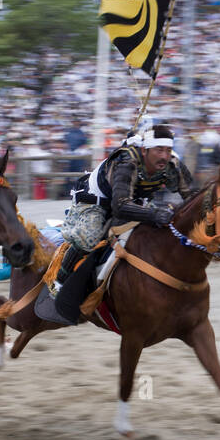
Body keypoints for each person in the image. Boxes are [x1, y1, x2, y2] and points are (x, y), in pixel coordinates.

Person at [52, 124, 194, 323]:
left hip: (134, 200)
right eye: (159, 150)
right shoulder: (127, 162)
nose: (164, 156)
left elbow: (193, 197)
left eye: (168, 150)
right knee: (90, 238)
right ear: (144, 150)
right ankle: (59, 279)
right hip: (97, 200)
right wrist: (154, 214)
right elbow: (119, 207)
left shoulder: (173, 164)